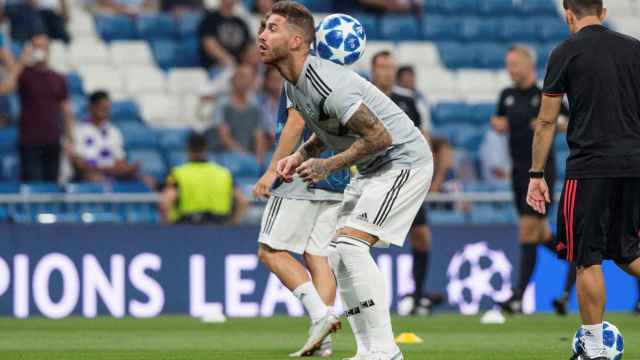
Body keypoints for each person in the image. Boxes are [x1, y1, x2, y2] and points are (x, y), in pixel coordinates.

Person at [259, 2, 433, 358]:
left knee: (350, 246)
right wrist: (301, 156)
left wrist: (327, 166)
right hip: (373, 168)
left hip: (403, 162)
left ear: (297, 42)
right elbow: (329, 129)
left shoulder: (328, 83)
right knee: (337, 253)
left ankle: (386, 351)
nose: (261, 35)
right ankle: (368, 349)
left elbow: (380, 137)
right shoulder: (295, 83)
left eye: (272, 28)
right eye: (263, 27)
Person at [526, 1, 640, 359]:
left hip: (590, 167)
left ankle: (593, 347)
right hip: (634, 165)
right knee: (628, 252)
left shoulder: (564, 52)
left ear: (568, 14)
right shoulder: (634, 49)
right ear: (603, 12)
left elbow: (546, 121)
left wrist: (536, 174)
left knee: (587, 258)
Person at [254, 87, 349, 357]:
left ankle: (321, 317)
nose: (263, 42)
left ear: (296, 42)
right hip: (335, 174)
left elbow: (296, 121)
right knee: (317, 256)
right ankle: (324, 342)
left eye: (268, 40)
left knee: (270, 252)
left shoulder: (297, 74)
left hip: (298, 175)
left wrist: (272, 170)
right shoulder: (335, 77)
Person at [490, 45, 576, 316]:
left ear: (529, 65)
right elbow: (499, 118)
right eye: (508, 64)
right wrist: (498, 123)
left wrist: (554, 123)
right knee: (541, 235)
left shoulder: (544, 95)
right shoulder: (506, 95)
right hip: (516, 171)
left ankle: (517, 298)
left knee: (527, 230)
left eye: (514, 64)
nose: (510, 69)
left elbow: (567, 120)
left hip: (540, 171)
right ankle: (575, 260)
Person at [370, 50, 443, 315]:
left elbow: (425, 140)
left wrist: (425, 177)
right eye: (382, 67)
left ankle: (418, 294)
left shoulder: (410, 101)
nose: (387, 72)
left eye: (391, 67)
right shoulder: (363, 98)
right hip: (373, 178)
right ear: (373, 69)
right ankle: (363, 298)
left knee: (422, 236)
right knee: (361, 239)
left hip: (407, 180)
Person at [10, 33, 75, 182]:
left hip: (53, 140)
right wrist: (22, 61)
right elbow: (7, 87)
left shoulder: (58, 78)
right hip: (30, 140)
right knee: (33, 187)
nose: (40, 50)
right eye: (36, 47)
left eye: (43, 47)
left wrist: (71, 139)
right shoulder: (24, 74)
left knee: (51, 186)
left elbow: (66, 110)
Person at [160, 132, 248, 225]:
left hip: (188, 228)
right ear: (206, 149)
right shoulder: (224, 173)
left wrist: (169, 226)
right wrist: (233, 223)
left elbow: (166, 203)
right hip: (220, 228)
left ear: (188, 149)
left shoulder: (178, 173)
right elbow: (242, 202)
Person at [68, 91, 140, 183]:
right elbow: (78, 163)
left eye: (108, 108)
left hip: (113, 174)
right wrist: (104, 169)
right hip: (88, 175)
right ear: (91, 107)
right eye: (102, 108)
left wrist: (127, 169)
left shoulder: (114, 131)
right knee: (95, 179)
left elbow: (119, 160)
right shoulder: (77, 130)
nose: (106, 112)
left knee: (147, 181)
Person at [213, 64, 268, 164]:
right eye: (241, 77)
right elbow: (223, 135)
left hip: (248, 154)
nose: (245, 81)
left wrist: (259, 157)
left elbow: (258, 134)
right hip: (226, 156)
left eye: (248, 78)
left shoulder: (255, 106)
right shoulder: (223, 104)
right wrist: (242, 154)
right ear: (232, 81)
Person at [198, 0, 252, 71]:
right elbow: (209, 44)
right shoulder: (209, 19)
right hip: (215, 66)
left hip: (239, 68)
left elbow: (248, 47)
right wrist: (227, 59)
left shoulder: (241, 22)